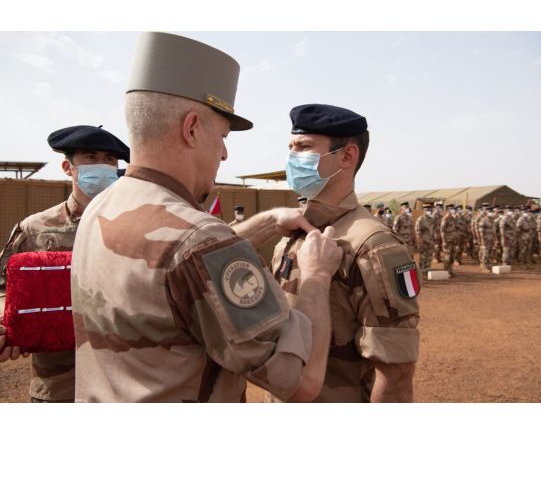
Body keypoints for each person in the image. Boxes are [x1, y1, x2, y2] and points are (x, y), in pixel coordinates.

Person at [71, 32, 342, 403]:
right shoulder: (199, 240)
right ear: (192, 128)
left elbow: (178, 259)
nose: (225, 154)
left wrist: (266, 222)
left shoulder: (102, 205)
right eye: (223, 135)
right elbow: (300, 380)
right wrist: (317, 276)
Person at [271, 103, 420, 402]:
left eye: (304, 147)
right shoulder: (291, 234)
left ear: (347, 156)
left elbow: (396, 373)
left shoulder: (375, 246)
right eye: (290, 147)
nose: (292, 158)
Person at [0, 125, 130, 402]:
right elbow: (4, 289)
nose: (103, 165)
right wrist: (7, 327)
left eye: (110, 160)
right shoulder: (36, 228)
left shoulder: (135, 226)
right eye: (91, 157)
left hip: (124, 382)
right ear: (68, 167)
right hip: (59, 386)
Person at [414, 204, 434, 280]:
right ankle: (421, 273)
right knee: (423, 258)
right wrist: (420, 242)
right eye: (428, 209)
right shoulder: (421, 219)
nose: (429, 211)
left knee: (429, 257)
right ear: (424, 210)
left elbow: (433, 230)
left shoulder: (432, 219)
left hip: (430, 241)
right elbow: (417, 231)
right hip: (423, 241)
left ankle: (427, 271)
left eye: (430, 209)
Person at [440, 204, 457, 276]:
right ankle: (445, 271)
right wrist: (444, 241)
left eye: (453, 209)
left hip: (453, 240)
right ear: (448, 210)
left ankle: (451, 270)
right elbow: (442, 231)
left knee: (452, 256)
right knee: (447, 256)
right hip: (447, 241)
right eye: (451, 209)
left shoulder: (453, 218)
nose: (453, 210)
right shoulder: (445, 219)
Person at [478, 204, 495, 273]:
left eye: (492, 211)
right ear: (487, 212)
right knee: (485, 252)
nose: (491, 212)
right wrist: (482, 239)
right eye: (489, 211)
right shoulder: (484, 220)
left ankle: (489, 265)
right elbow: (481, 231)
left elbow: (494, 230)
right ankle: (484, 266)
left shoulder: (492, 220)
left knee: (490, 252)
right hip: (485, 239)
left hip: (491, 238)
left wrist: (495, 239)